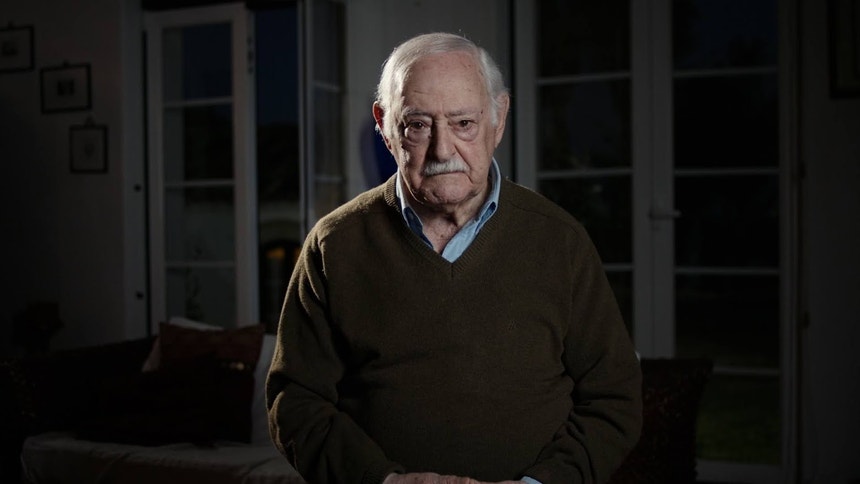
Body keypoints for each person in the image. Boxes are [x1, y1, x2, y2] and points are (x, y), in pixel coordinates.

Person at [267, 32, 642, 484]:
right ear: (385, 126)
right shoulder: (335, 245)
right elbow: (295, 402)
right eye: (418, 125)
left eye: (463, 123)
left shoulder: (560, 241)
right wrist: (382, 481)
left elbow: (614, 399)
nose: (442, 150)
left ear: (498, 120)